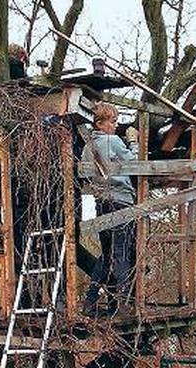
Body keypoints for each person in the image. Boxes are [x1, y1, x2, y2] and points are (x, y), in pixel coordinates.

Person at [82, 102, 138, 316]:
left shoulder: (88, 148)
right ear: (99, 123)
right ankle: (122, 303)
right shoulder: (113, 141)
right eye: (112, 121)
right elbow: (135, 163)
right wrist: (133, 142)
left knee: (106, 255)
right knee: (121, 253)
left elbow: (87, 176)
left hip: (102, 204)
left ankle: (90, 301)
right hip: (121, 201)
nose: (115, 126)